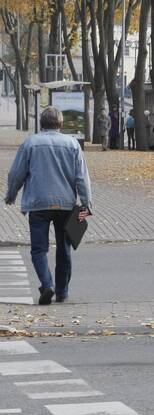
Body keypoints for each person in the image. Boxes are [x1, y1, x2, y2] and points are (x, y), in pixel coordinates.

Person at [4, 106, 92, 305]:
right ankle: (62, 291)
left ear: (41, 124)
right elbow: (82, 178)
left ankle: (47, 285)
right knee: (64, 248)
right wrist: (86, 204)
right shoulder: (72, 144)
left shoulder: (30, 143)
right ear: (60, 124)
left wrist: (11, 195)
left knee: (38, 249)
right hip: (66, 205)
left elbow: (16, 173)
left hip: (38, 204)